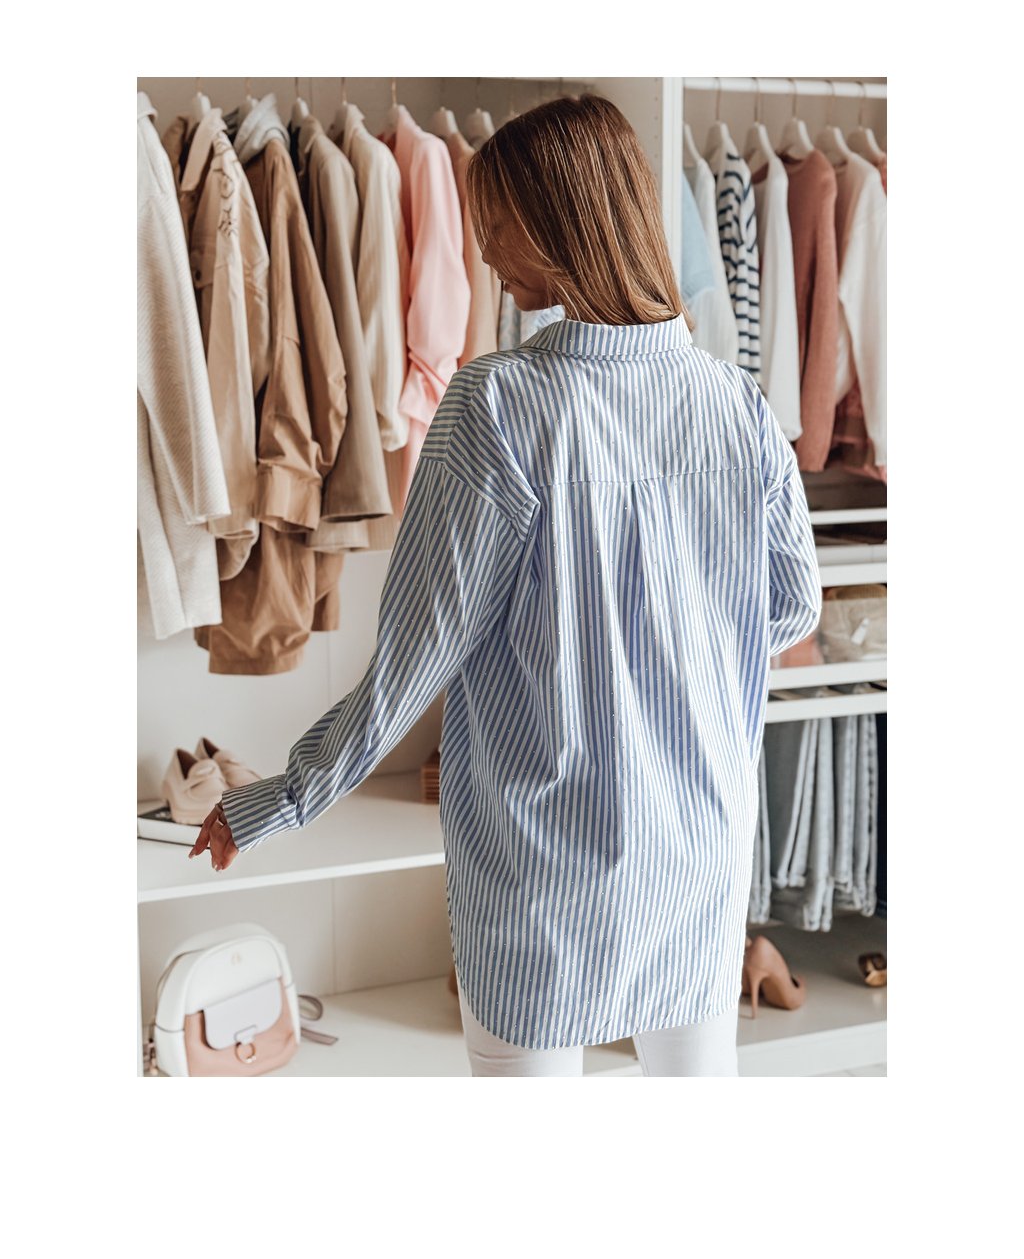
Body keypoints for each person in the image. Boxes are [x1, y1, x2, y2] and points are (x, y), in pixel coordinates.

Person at [190, 93, 822, 1077]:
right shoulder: (735, 402)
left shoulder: (498, 405)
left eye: (494, 221)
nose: (479, 248)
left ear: (557, 222)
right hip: (699, 845)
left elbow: (411, 659)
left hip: (545, 861)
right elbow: (790, 607)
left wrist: (280, 799)